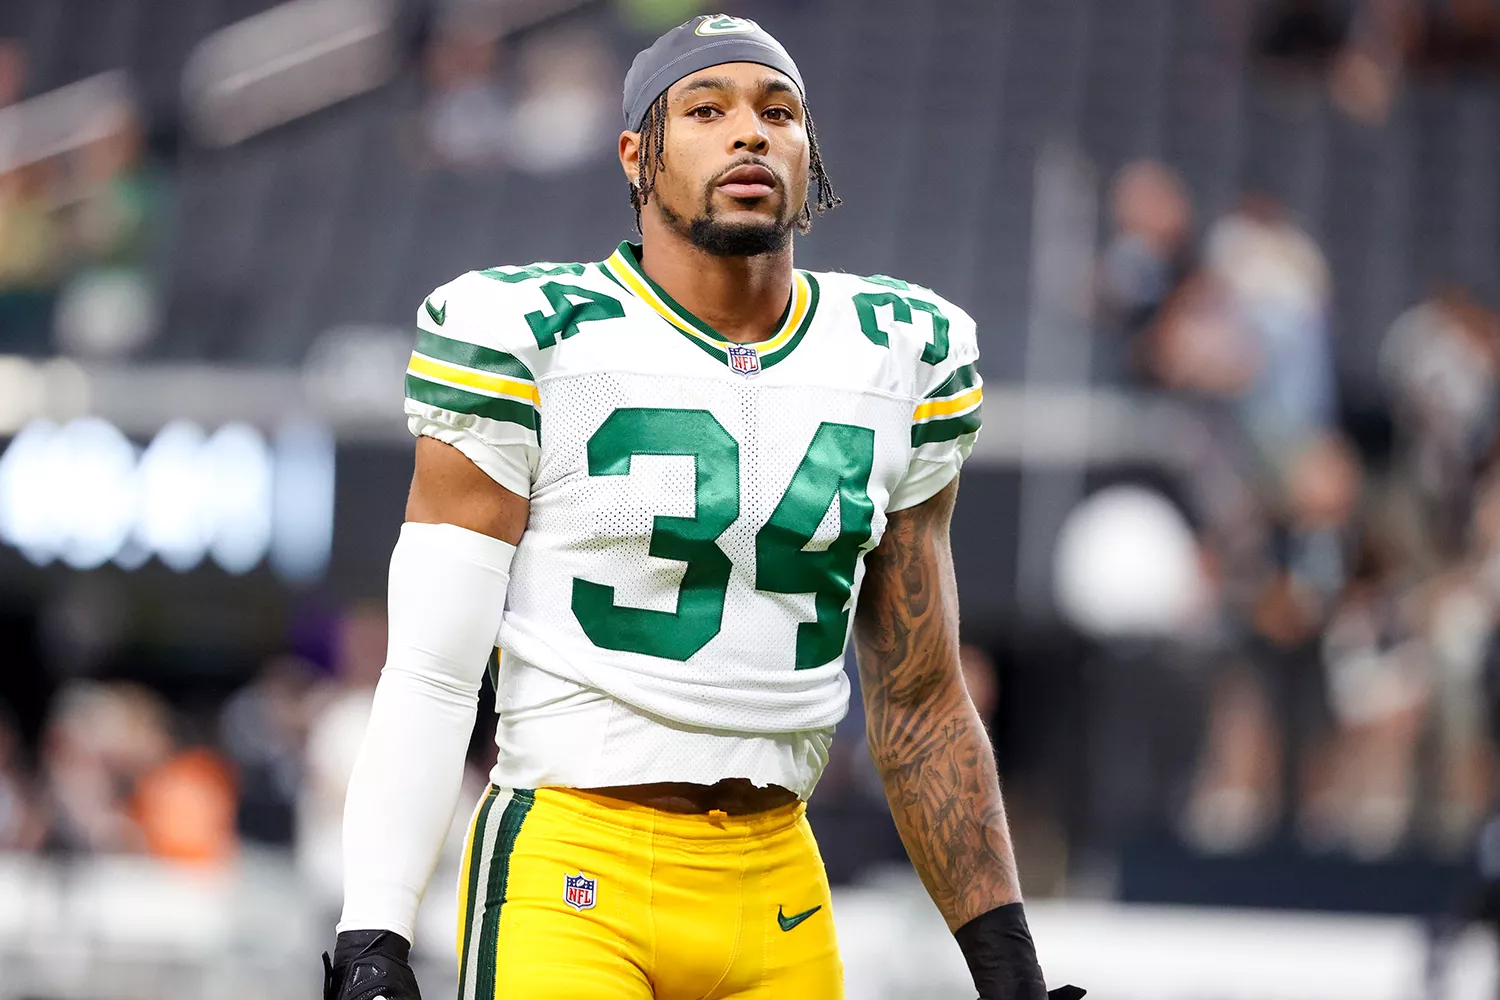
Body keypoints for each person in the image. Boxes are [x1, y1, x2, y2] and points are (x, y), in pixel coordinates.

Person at [322, 14, 1082, 1000]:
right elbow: (430, 670)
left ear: (810, 155)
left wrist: (1008, 969)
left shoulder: (901, 353)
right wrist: (373, 930)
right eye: (707, 109)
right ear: (638, 155)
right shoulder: (527, 334)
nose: (750, 132)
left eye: (779, 111)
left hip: (779, 880)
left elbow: (923, 702)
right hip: (572, 864)